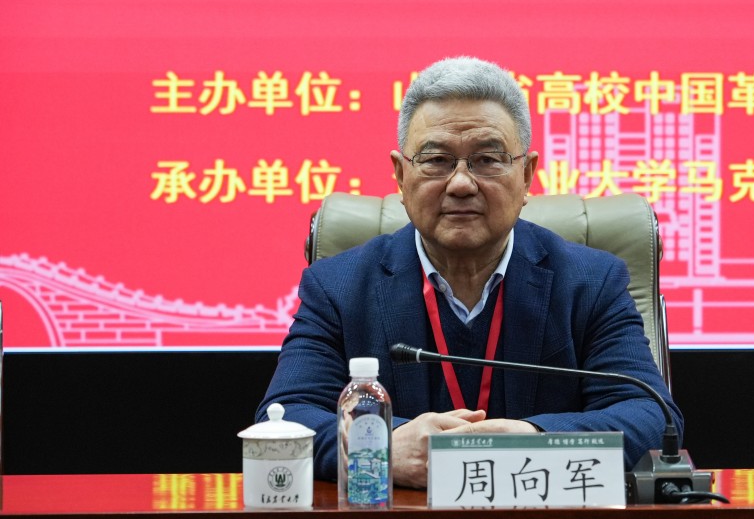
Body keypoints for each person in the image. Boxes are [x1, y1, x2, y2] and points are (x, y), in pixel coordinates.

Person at [256, 56, 683, 489]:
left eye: (487, 159)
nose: (461, 184)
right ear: (401, 176)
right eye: (437, 160)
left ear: (527, 175)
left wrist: (537, 439)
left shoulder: (591, 282)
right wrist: (382, 446)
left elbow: (650, 416)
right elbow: (285, 417)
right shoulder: (338, 287)